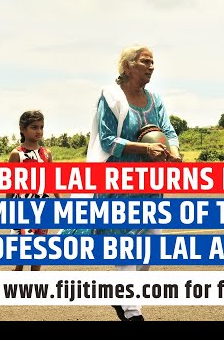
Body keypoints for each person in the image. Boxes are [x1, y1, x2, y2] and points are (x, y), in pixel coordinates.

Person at [61, 44, 181, 321]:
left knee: (152, 245)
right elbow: (107, 140)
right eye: (145, 62)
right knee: (125, 241)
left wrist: (172, 152)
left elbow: (169, 131)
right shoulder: (111, 97)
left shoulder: (156, 100)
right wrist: (143, 149)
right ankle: (131, 310)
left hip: (151, 184)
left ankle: (121, 295)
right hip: (119, 182)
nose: (151, 67)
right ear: (127, 66)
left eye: (153, 63)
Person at [6, 110, 61, 272]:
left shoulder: (46, 154)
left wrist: (60, 201)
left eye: (41, 127)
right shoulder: (17, 155)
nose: (39, 131)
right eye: (34, 127)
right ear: (22, 129)